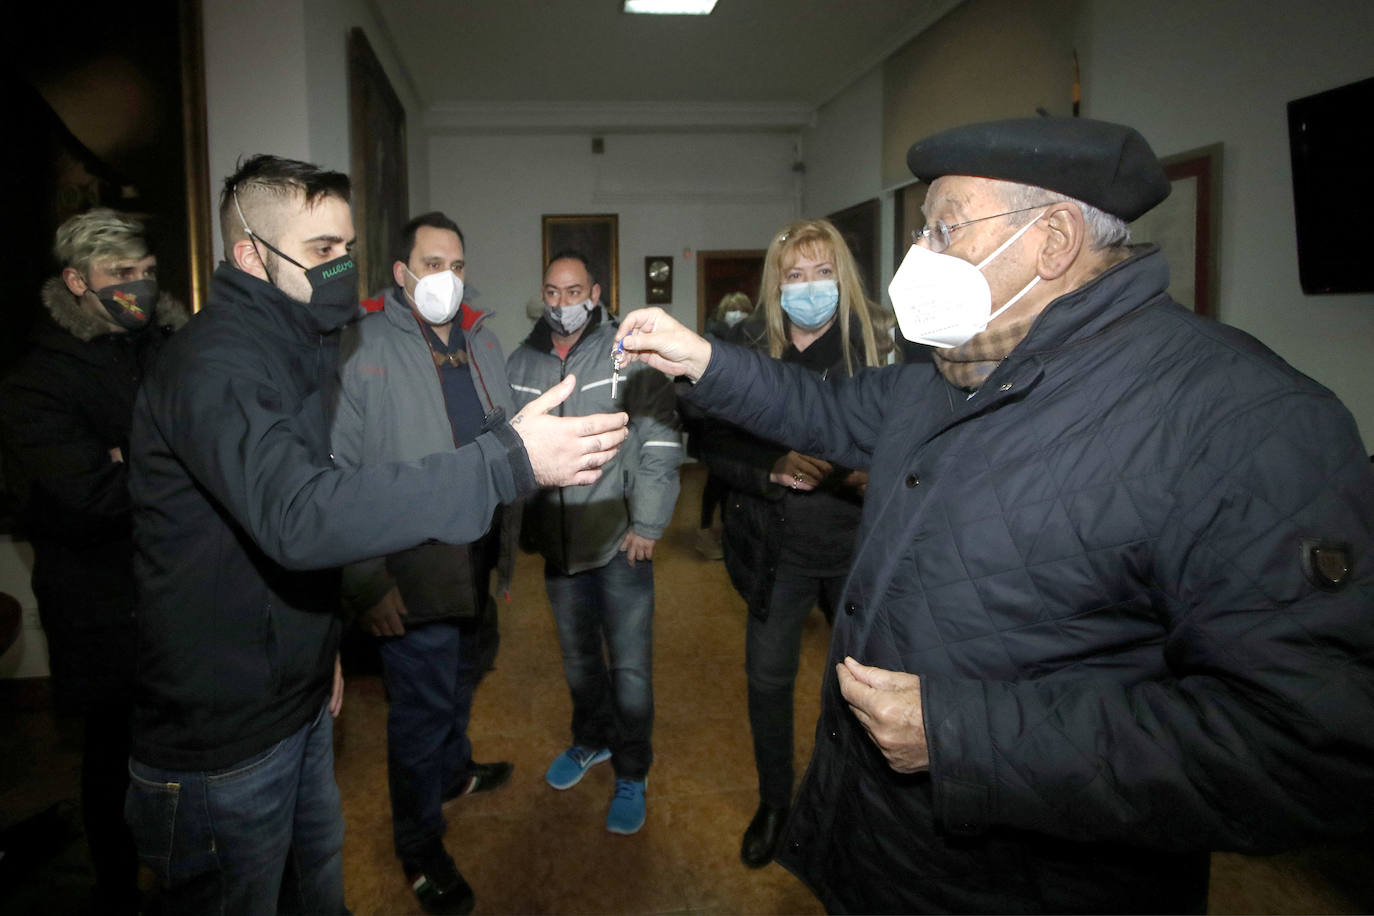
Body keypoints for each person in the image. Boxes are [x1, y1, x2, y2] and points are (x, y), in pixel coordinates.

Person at [613, 117, 1374, 913]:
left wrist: (963, 736)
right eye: (921, 232)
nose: (918, 261)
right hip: (893, 853)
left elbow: (1304, 746)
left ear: (1053, 239)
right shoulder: (954, 366)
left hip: (1040, 883)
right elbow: (822, 406)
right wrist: (700, 358)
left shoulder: (1239, 421)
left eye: (945, 230)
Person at [124, 155, 628, 916]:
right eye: (321, 251)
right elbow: (302, 511)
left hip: (293, 694)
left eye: (345, 248)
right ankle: (420, 845)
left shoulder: (304, 344)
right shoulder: (217, 366)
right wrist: (498, 472)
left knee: (317, 883)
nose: (341, 268)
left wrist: (318, 650)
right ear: (251, 255)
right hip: (221, 739)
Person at [0, 208, 187, 914]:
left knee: (186, 757)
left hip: (180, 586)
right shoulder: (36, 380)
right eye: (119, 276)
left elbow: (218, 436)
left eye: (145, 273)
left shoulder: (173, 342)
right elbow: (84, 498)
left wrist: (131, 457)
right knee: (114, 764)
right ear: (77, 281)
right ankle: (117, 893)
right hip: (102, 604)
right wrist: (166, 459)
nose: (137, 287)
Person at [332, 210, 516, 914]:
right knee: (418, 711)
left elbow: (503, 441)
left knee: (464, 678)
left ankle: (454, 771)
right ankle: (419, 844)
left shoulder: (484, 341)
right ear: (403, 274)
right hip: (407, 568)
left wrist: (504, 562)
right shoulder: (363, 348)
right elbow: (337, 474)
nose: (448, 278)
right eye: (433, 265)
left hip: (477, 557)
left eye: (458, 265)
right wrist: (364, 582)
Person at [696, 220, 895, 868]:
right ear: (775, 286)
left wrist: (870, 473)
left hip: (857, 553)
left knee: (871, 687)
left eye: (823, 274)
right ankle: (776, 802)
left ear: (844, 278)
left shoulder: (874, 351)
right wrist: (769, 466)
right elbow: (711, 443)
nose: (810, 288)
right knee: (768, 682)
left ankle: (861, 807)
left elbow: (915, 444)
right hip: (774, 552)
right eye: (795, 276)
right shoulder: (752, 353)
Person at [506, 250, 682, 836]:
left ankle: (633, 768)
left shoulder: (626, 354)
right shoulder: (520, 361)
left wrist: (650, 523)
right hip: (558, 549)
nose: (562, 303)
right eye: (552, 293)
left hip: (617, 541)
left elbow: (658, 442)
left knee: (630, 669)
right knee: (580, 662)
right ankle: (592, 741)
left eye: (574, 290)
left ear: (597, 291)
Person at [687, 291, 753, 561]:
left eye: (741, 308)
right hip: (716, 423)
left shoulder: (753, 338)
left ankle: (728, 534)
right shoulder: (711, 340)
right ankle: (706, 533)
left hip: (744, 424)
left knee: (733, 482)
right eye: (732, 308)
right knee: (717, 479)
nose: (736, 313)